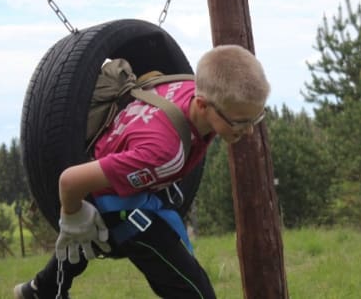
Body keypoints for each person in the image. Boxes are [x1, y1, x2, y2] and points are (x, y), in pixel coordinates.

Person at [14, 44, 270, 299]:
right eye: (240, 122)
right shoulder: (164, 153)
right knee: (195, 292)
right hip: (113, 200)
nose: (248, 131)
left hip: (121, 163)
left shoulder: (189, 88)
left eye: (255, 119)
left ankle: (41, 290)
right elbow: (70, 181)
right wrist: (73, 218)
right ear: (202, 106)